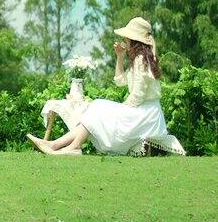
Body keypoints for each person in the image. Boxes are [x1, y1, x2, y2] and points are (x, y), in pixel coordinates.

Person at [27, 17, 185, 156]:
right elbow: (120, 81)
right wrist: (120, 57)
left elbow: (138, 95)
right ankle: (57, 145)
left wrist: (118, 110)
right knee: (97, 108)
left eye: (127, 38)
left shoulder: (141, 60)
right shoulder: (140, 59)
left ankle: (68, 146)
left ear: (134, 40)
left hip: (145, 115)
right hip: (144, 112)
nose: (125, 41)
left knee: (99, 107)